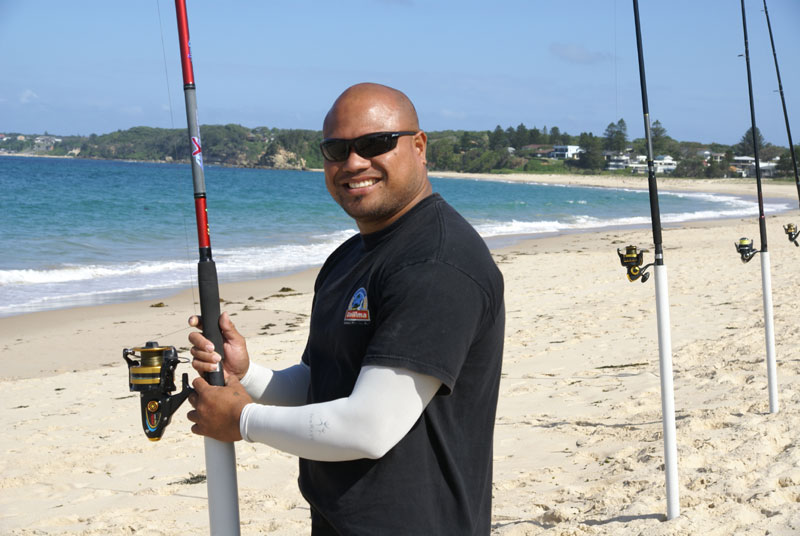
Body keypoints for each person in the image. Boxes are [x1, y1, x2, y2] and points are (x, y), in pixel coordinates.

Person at [187, 82, 505, 535]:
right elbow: (325, 382)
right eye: (337, 149)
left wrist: (241, 418)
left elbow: (368, 427)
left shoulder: (438, 262)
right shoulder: (350, 256)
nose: (354, 163)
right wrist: (249, 376)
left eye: (375, 144)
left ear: (418, 146)